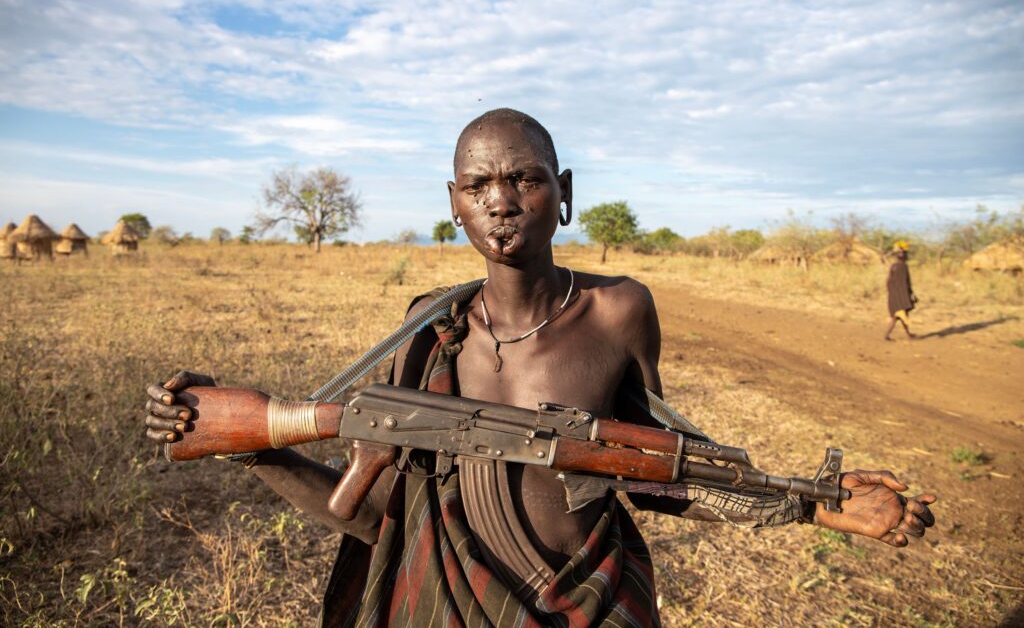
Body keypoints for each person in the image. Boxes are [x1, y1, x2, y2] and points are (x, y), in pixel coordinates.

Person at [145, 109, 936, 626]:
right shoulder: (427, 329)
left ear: (563, 193)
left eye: (524, 178)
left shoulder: (619, 311)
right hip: (448, 604)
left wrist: (808, 503)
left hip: (590, 600)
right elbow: (378, 514)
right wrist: (250, 445)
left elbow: (651, 468)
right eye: (478, 184)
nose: (501, 200)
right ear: (454, 202)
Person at [885, 240, 917, 341]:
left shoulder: (893, 266)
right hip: (902, 297)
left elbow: (888, 282)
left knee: (899, 316)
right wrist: (911, 294)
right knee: (899, 316)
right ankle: (888, 335)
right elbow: (907, 283)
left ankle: (907, 334)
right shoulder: (903, 267)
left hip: (894, 296)